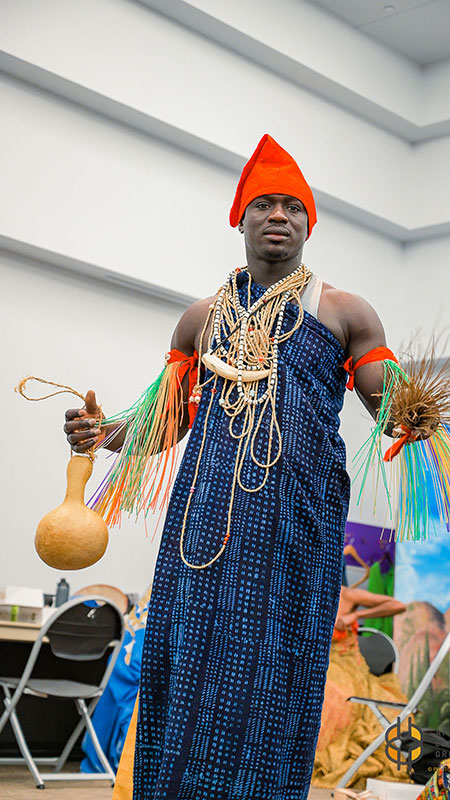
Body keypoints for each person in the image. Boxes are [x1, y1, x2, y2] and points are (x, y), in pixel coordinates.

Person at [63, 134, 421, 800]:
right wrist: (101, 433)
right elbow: (163, 423)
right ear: (241, 219)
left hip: (298, 523)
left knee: (279, 670)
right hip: (205, 525)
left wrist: (412, 413)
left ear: (310, 224)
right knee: (190, 660)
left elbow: (387, 403)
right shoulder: (198, 321)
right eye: (264, 204)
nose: (278, 215)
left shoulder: (345, 312)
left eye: (293, 206)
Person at [313, 587, 409, 791]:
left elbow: (398, 605)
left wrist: (356, 615)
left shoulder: (346, 594)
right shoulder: (304, 590)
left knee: (335, 696)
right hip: (316, 664)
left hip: (347, 665)